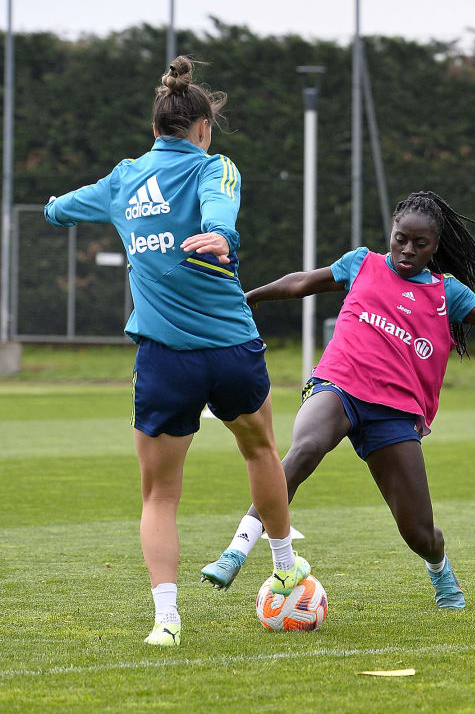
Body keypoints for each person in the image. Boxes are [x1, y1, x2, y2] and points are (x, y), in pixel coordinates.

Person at [201, 190, 475, 608]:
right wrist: (250, 297)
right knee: (304, 450)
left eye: (419, 243)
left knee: (419, 532)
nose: (407, 250)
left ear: (435, 246)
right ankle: (237, 549)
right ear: (391, 234)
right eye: (400, 239)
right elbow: (301, 281)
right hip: (339, 386)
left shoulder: (449, 293)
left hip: (395, 413)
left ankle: (439, 568)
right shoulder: (363, 263)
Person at [43, 56, 308, 647]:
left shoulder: (122, 181)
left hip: (166, 359)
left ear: (155, 129)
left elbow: (60, 209)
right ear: (203, 128)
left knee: (160, 495)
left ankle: (167, 619)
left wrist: (56, 205)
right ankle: (285, 563)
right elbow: (221, 205)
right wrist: (221, 235)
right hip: (233, 349)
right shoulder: (215, 167)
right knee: (261, 449)